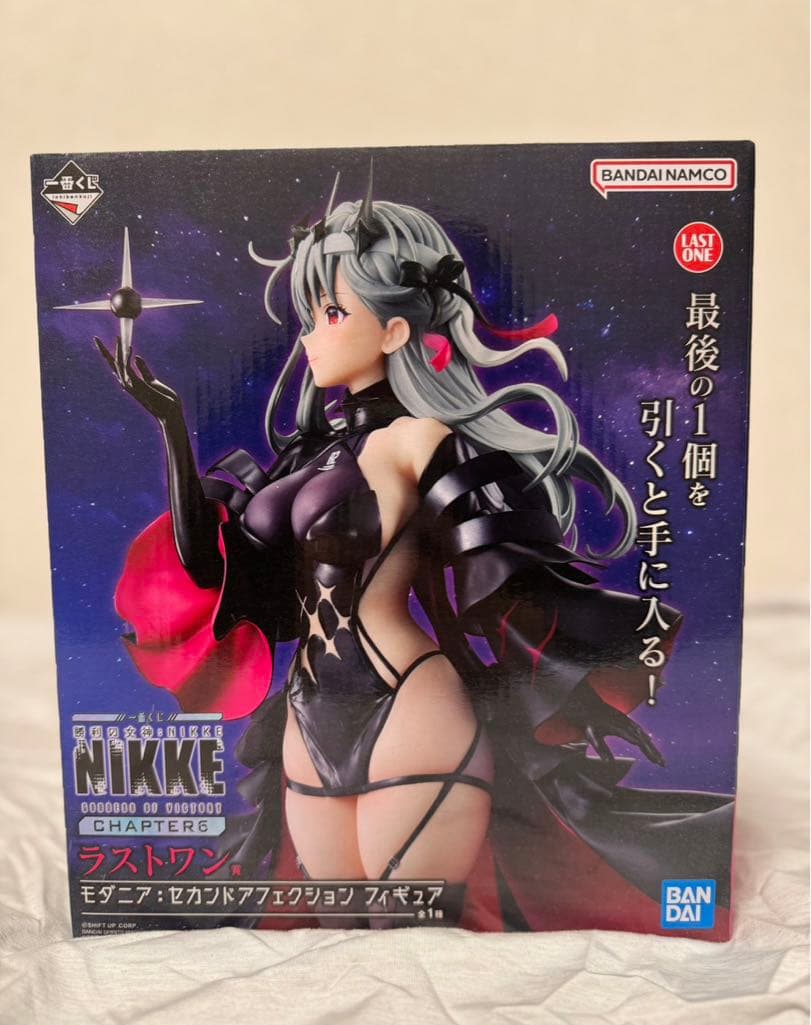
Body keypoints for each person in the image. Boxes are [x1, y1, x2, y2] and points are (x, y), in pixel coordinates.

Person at [95, 171, 733, 932]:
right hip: (307, 719)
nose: (310, 334)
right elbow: (212, 570)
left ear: (395, 331)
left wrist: (604, 642)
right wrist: (170, 426)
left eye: (332, 312)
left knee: (408, 937)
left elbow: (504, 561)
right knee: (338, 941)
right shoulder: (301, 458)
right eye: (309, 314)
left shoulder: (422, 438)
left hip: (408, 705)